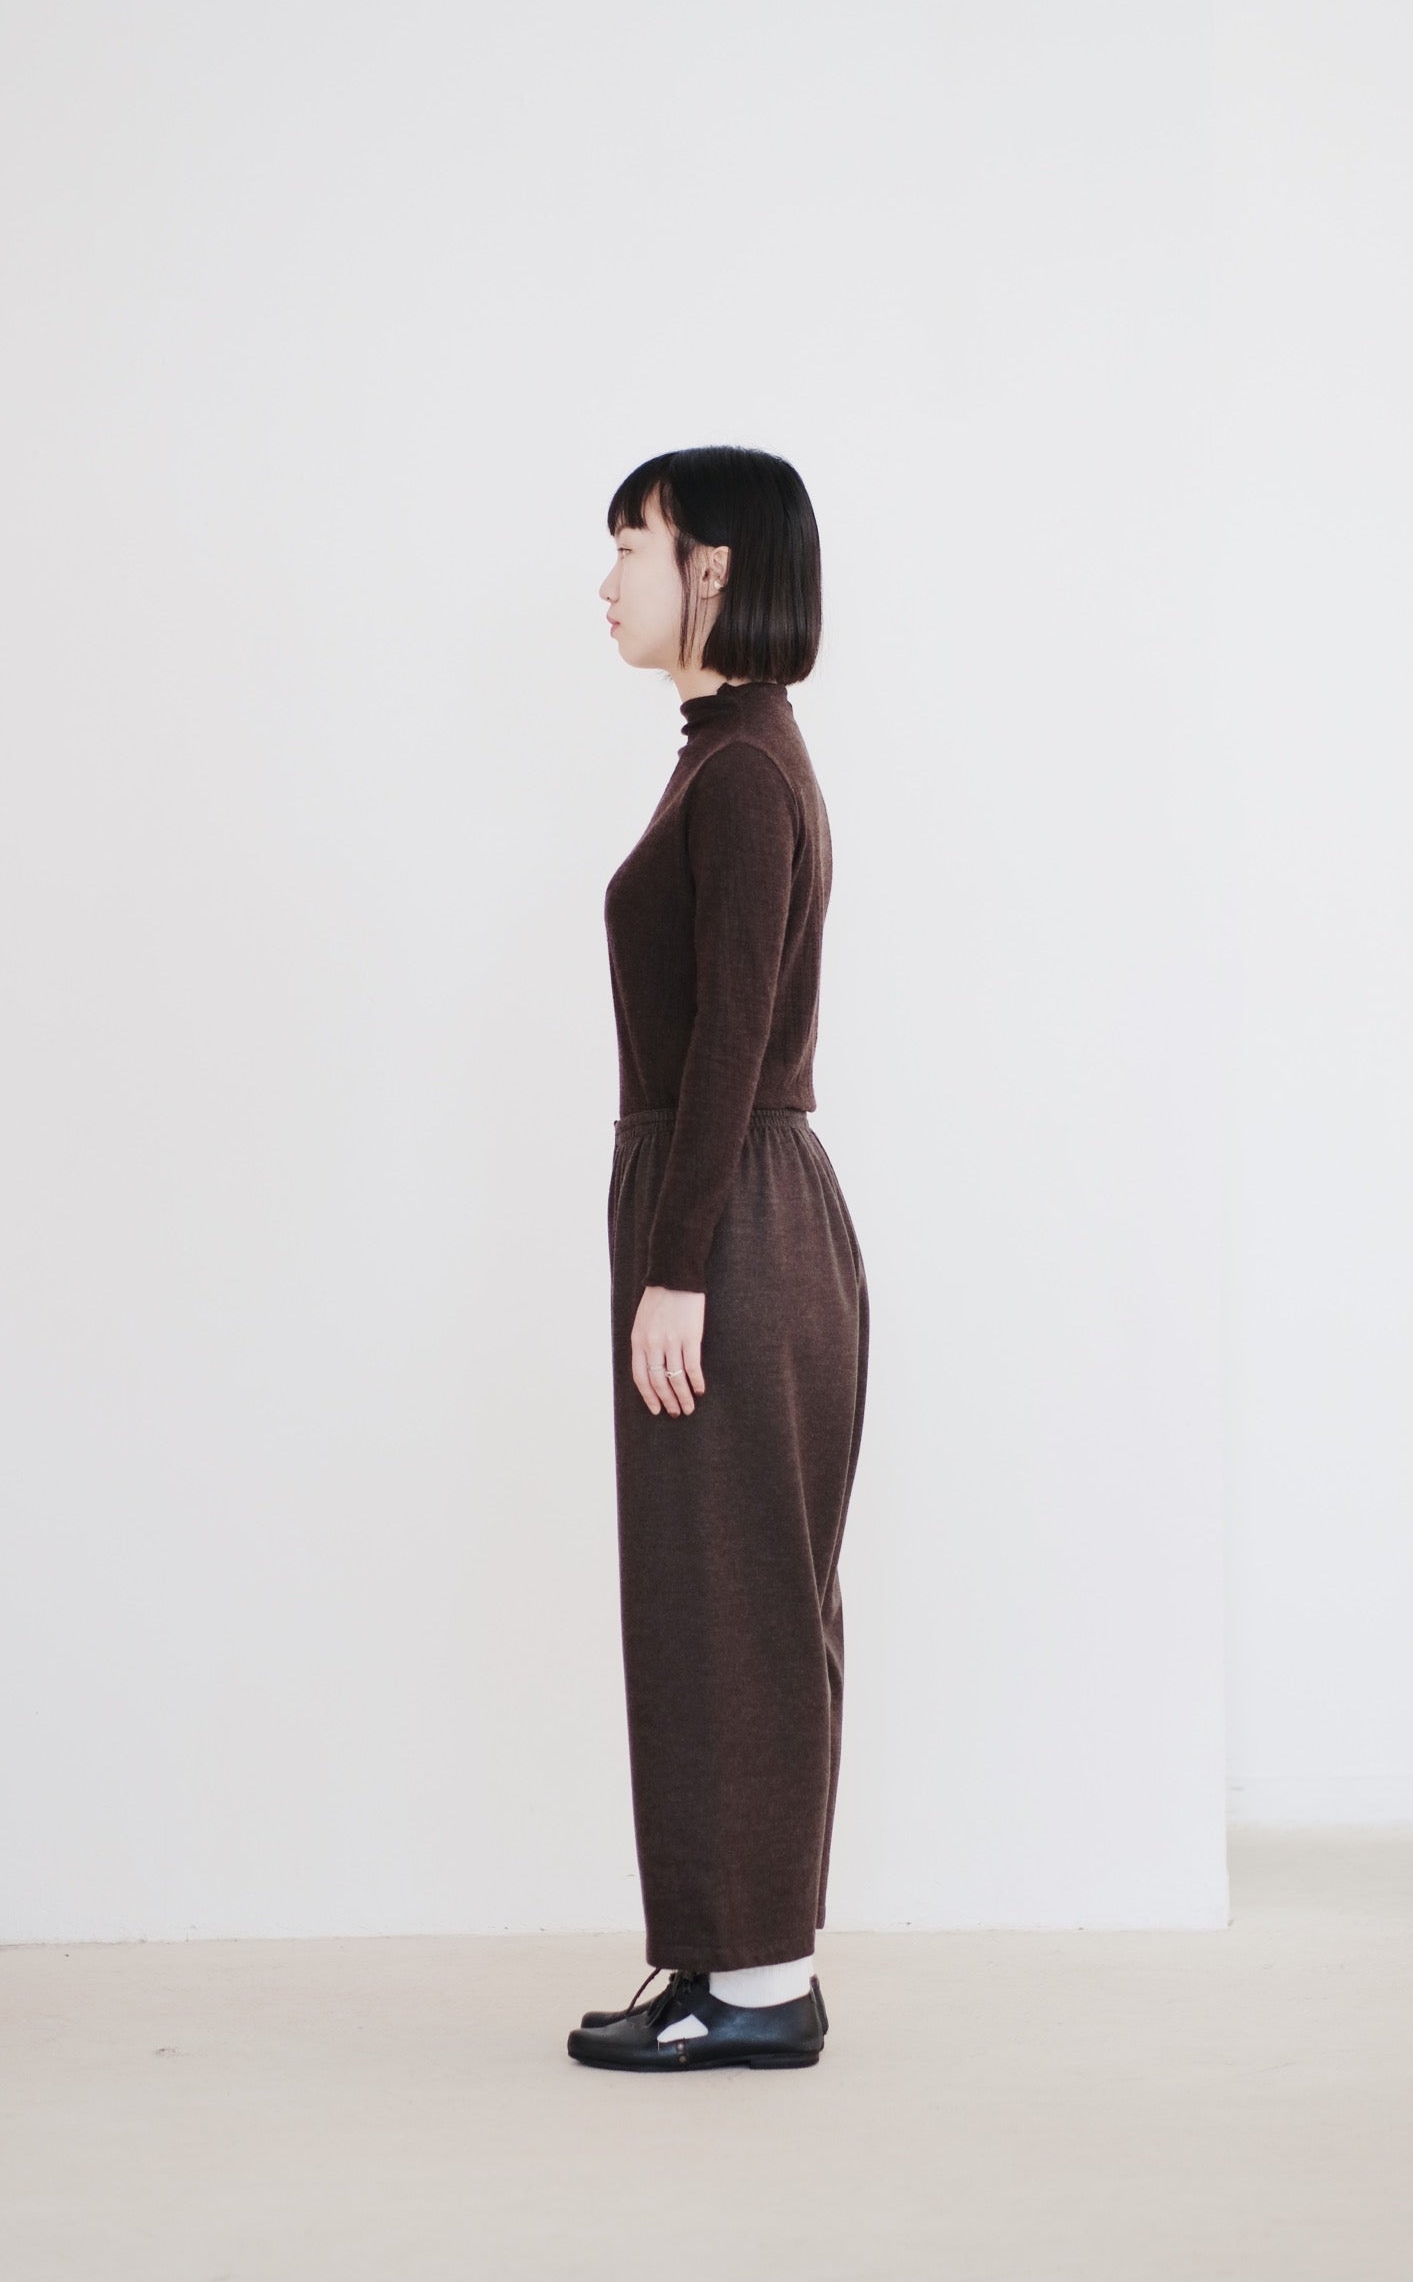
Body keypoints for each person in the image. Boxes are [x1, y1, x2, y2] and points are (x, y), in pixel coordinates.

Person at [567, 446, 870, 2072]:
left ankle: (757, 1988)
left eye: (633, 543)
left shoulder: (745, 771)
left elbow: (736, 1040)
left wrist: (677, 1268)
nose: (608, 577)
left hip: (732, 1222)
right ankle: (721, 1959)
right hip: (724, 1209)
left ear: (713, 570)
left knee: (735, 1601)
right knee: (706, 1598)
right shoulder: (728, 757)